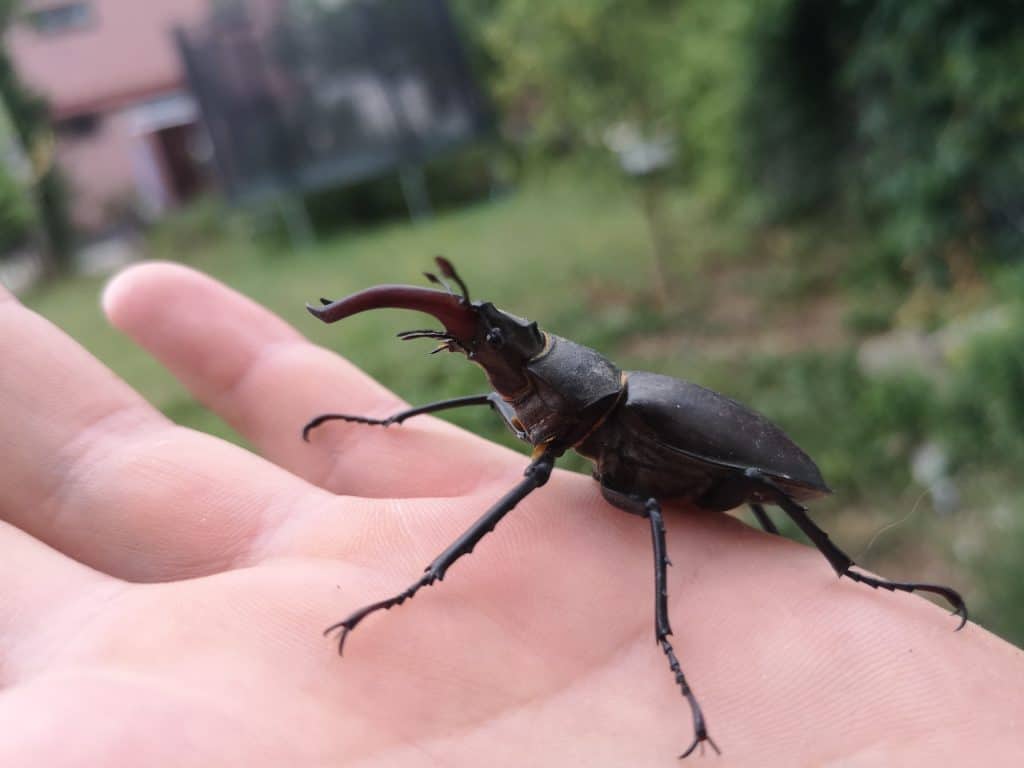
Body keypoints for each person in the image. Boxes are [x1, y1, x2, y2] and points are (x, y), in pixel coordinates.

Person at [1, 263, 1021, 766]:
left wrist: (414, 583)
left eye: (508, 352)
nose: (498, 369)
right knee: (549, 467)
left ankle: (841, 574)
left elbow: (645, 496)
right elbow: (519, 407)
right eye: (491, 356)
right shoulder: (569, 407)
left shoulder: (619, 417)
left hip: (718, 468)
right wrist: (391, 415)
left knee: (654, 514)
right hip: (658, 442)